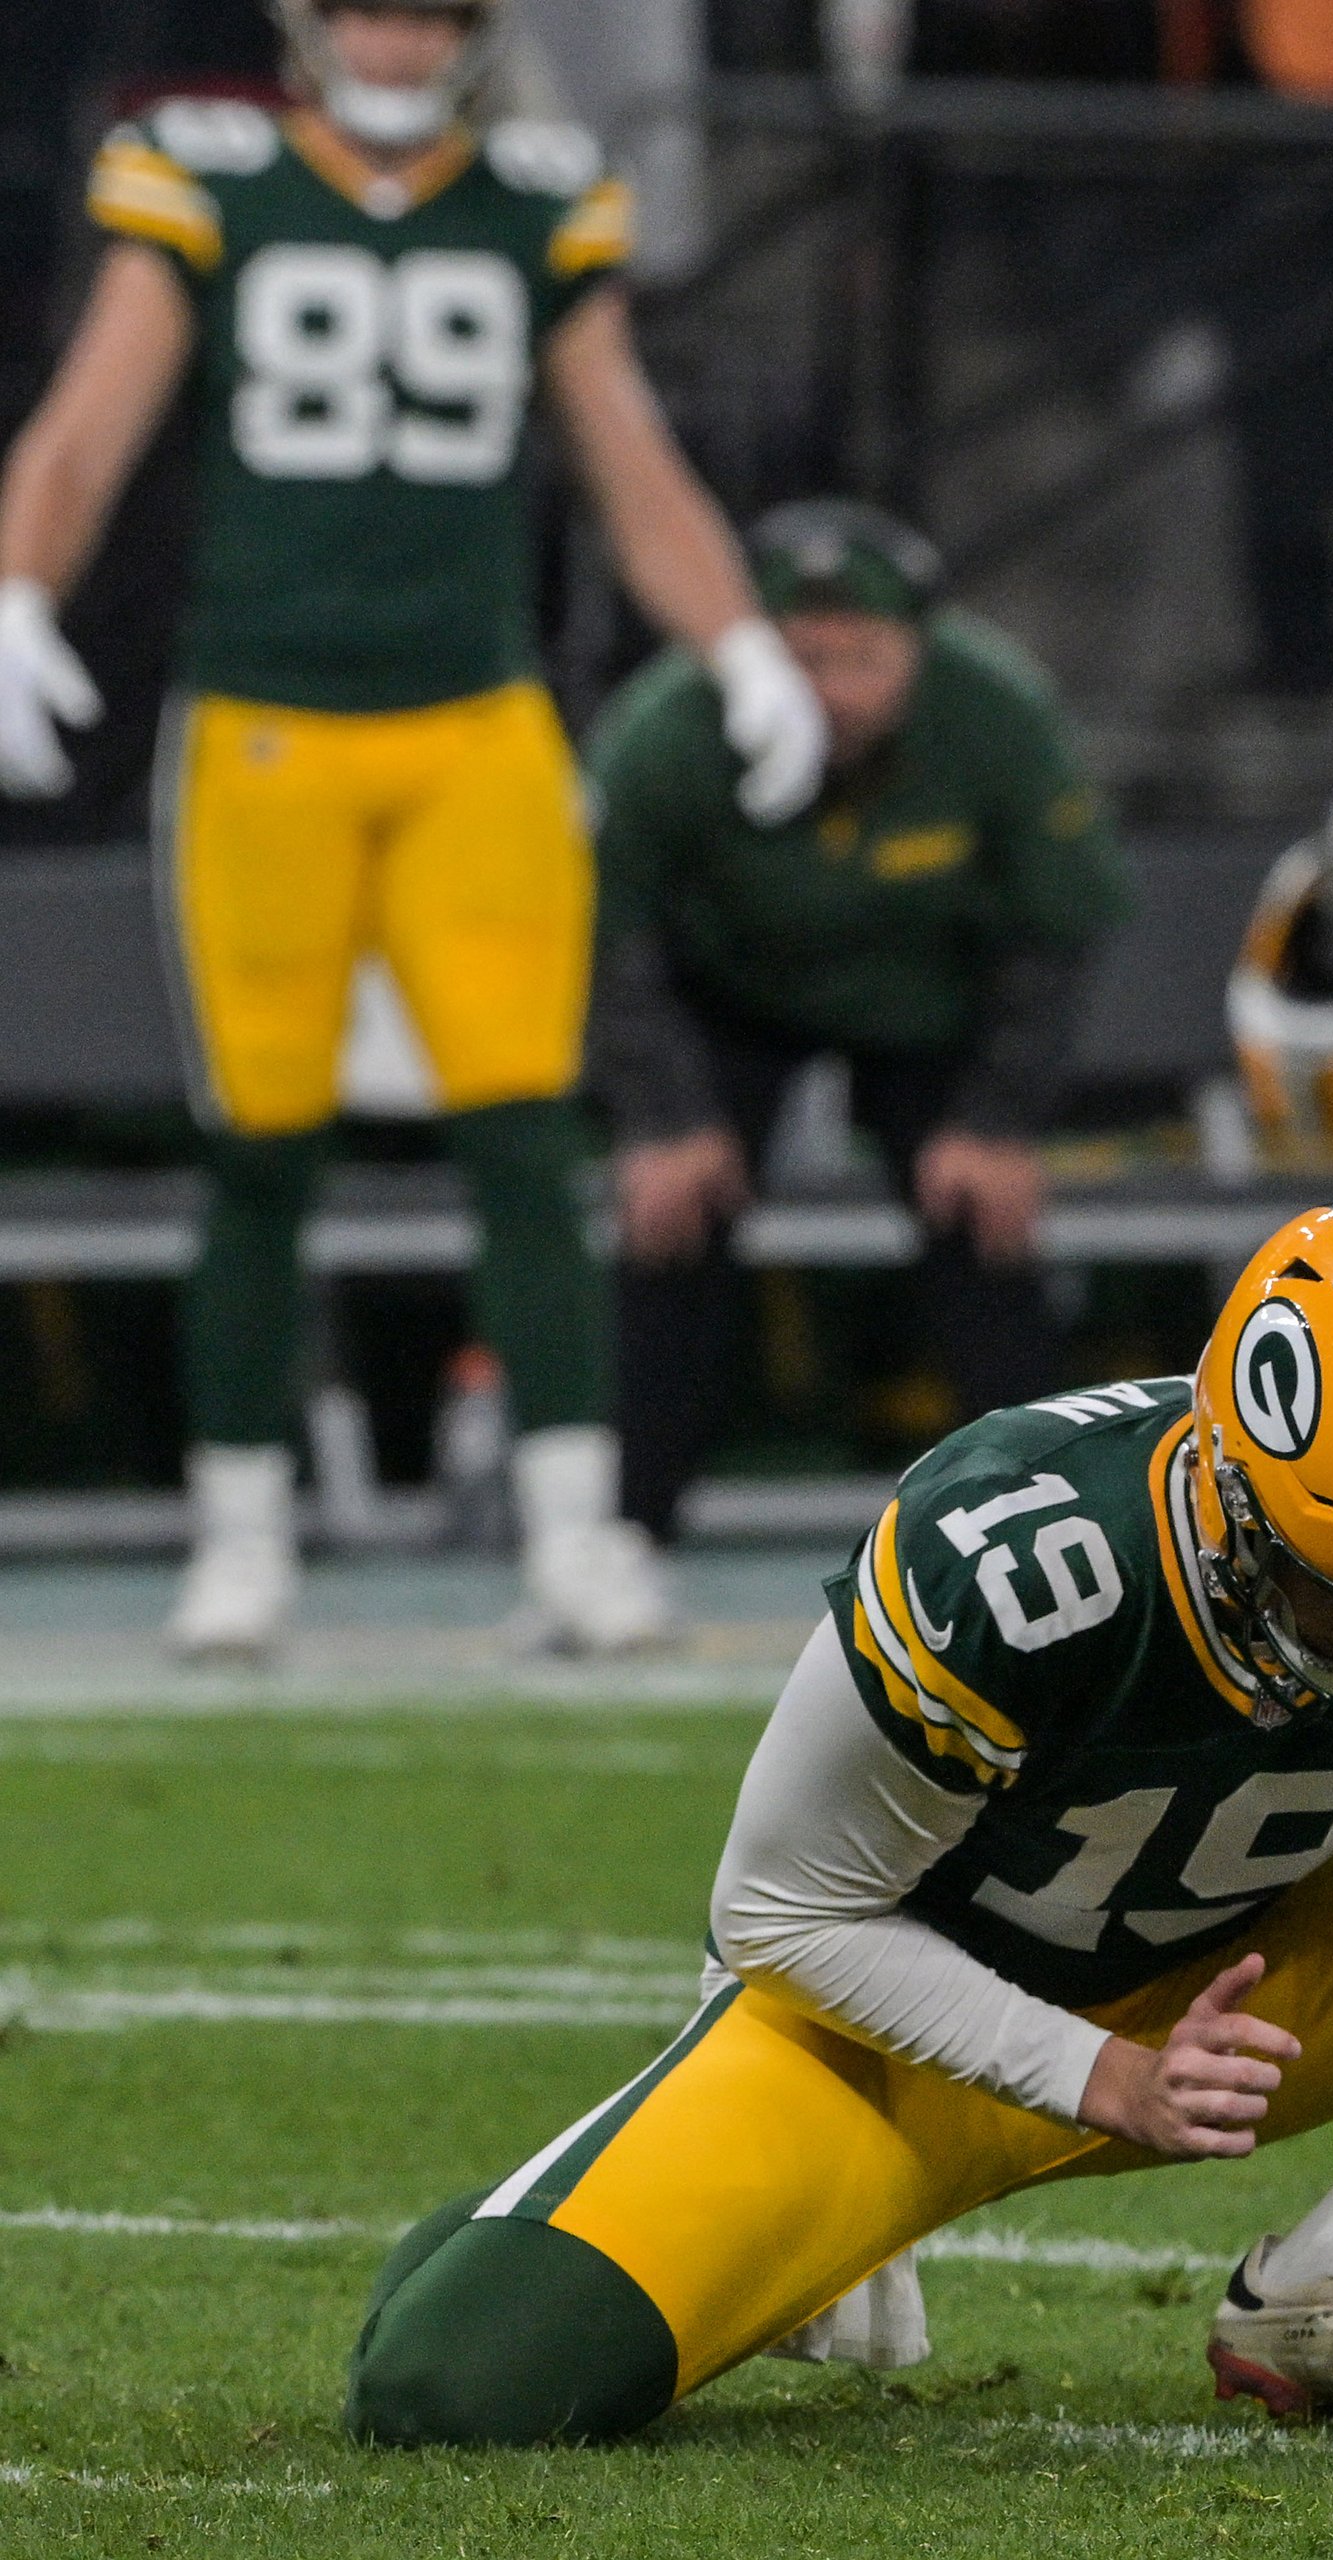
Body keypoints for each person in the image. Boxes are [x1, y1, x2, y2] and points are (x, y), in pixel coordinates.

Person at [344, 1199, 1333, 2445]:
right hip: (891, 2049)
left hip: (1244, 2001)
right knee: (446, 2393)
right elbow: (782, 1913)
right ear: (1232, 1485)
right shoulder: (1012, 1553)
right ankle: (536, 2209)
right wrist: (1098, 2074)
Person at [0, 0, 827, 1656]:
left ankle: (577, 1531)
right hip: (265, 726)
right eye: (372, 8)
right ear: (310, 25)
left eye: (429, 12)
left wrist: (739, 638)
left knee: (527, 1137)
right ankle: (239, 1530)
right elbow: (94, 416)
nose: (395, 44)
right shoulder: (208, 183)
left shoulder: (533, 197)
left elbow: (630, 458)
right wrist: (19, 586)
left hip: (475, 723)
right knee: (260, 1149)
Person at [590, 501, 1132, 1547]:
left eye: (862, 658)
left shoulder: (997, 714)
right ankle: (625, 1535)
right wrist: (661, 1114)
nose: (829, 691)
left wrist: (998, 1119)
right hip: (730, 997)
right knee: (668, 1216)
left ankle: (1054, 1521)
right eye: (801, 658)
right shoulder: (665, 729)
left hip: (931, 1003)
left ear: (918, 652)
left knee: (984, 1223)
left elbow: (1059, 929)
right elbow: (605, 941)